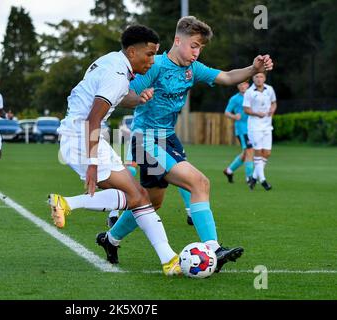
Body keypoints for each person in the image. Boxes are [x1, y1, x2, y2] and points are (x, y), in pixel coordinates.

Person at [96, 16, 273, 272]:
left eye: (200, 47)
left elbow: (227, 77)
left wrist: (254, 68)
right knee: (199, 182)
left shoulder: (193, 69)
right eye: (193, 45)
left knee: (151, 203)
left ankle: (110, 239)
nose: (196, 52)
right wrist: (138, 97)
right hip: (145, 139)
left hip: (167, 138)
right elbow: (124, 93)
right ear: (178, 40)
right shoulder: (154, 65)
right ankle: (213, 248)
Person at [47, 25, 183, 276]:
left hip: (81, 135)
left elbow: (121, 97)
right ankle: (67, 203)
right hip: (84, 137)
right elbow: (93, 118)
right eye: (149, 54)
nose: (152, 61)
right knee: (137, 196)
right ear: (132, 51)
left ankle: (169, 259)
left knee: (138, 196)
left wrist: (139, 98)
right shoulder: (117, 74)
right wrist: (91, 162)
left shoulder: (113, 61)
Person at [244, 72, 277, 191]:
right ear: (253, 78)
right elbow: (246, 109)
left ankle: (253, 177)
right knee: (258, 153)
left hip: (267, 126)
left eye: (261, 77)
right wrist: (257, 113)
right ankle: (263, 180)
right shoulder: (249, 92)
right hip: (255, 127)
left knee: (267, 153)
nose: (259, 79)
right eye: (256, 77)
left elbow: (273, 103)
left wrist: (272, 111)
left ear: (265, 78)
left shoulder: (270, 89)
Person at [223, 81, 254, 185]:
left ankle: (229, 171)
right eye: (240, 84)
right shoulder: (234, 99)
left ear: (247, 85)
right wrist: (234, 116)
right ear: (238, 86)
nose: (242, 86)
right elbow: (227, 112)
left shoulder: (253, 95)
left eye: (244, 84)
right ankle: (249, 178)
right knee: (249, 151)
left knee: (246, 153)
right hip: (242, 129)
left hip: (253, 128)